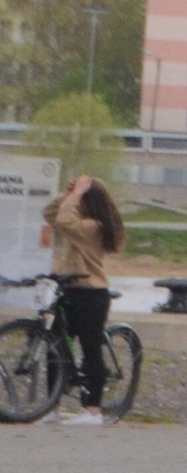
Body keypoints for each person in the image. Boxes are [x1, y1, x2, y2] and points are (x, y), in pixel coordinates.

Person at [38, 174, 124, 425]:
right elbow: (49, 213)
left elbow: (64, 220)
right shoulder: (76, 220)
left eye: (80, 197)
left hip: (91, 293)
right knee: (56, 349)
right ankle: (52, 406)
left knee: (90, 350)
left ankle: (93, 411)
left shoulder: (93, 226)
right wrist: (68, 194)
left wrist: (75, 196)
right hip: (68, 290)